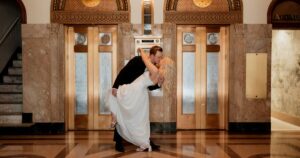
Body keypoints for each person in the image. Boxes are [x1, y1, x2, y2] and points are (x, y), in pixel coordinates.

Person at [109, 46, 163, 152]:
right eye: (158, 57)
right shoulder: (137, 60)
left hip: (139, 97)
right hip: (127, 93)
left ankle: (145, 141)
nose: (159, 60)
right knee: (122, 115)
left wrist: (159, 84)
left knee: (140, 119)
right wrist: (115, 87)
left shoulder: (151, 67)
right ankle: (118, 142)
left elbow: (148, 85)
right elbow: (123, 72)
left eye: (161, 57)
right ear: (151, 55)